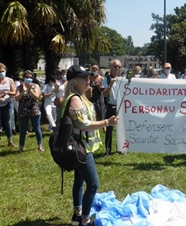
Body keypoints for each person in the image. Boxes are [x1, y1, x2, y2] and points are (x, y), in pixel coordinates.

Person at [65, 65, 119, 226]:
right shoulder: (75, 99)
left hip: (82, 146)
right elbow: (83, 124)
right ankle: (85, 219)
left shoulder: (80, 97)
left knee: (80, 180)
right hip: (82, 148)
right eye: (85, 78)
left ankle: (77, 214)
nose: (89, 80)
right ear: (75, 82)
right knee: (93, 183)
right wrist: (106, 122)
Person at [15, 70, 44, 152]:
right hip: (23, 111)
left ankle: (40, 145)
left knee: (37, 129)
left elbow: (37, 97)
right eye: (27, 77)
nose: (29, 79)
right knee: (23, 130)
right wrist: (23, 91)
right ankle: (21, 147)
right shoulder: (19, 87)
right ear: (23, 78)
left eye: (30, 77)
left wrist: (30, 90)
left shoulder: (36, 86)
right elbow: (16, 98)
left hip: (34, 110)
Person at [102, 60, 121, 156]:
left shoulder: (123, 79)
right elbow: (105, 94)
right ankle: (108, 149)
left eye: (119, 66)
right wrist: (110, 84)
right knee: (109, 129)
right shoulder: (106, 79)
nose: (117, 68)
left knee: (121, 128)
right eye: (115, 66)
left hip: (121, 106)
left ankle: (120, 148)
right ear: (111, 67)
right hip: (111, 105)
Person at [0, 62, 17, 147]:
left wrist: (8, 93)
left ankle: (10, 140)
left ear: (5, 71)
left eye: (2, 71)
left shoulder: (10, 80)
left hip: (7, 104)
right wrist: (0, 96)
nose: (1, 73)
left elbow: (14, 93)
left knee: (8, 122)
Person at [88, 65, 106, 131]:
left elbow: (102, 90)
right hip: (91, 97)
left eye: (95, 69)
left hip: (99, 97)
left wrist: (98, 86)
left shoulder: (101, 78)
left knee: (101, 111)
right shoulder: (89, 78)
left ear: (98, 70)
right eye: (93, 69)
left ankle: (104, 126)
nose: (94, 70)